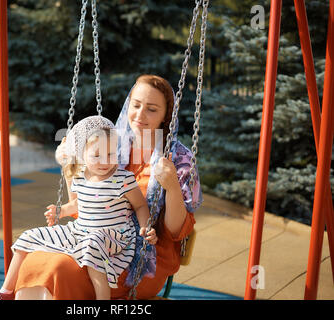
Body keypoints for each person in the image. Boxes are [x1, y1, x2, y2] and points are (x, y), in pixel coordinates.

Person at [14, 74, 203, 300]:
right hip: (98, 241)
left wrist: (171, 187)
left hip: (144, 259)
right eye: (136, 105)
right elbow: (85, 204)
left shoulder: (178, 159)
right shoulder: (113, 145)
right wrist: (69, 167)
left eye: (152, 109)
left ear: (165, 116)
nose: (140, 115)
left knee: (59, 269)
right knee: (36, 259)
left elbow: (175, 231)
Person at [0, 116, 157, 300]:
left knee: (92, 244)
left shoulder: (123, 179)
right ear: (82, 154)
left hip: (113, 236)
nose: (104, 161)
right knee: (27, 237)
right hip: (80, 231)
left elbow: (140, 205)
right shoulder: (80, 176)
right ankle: (5, 293)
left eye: (110, 154)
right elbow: (78, 204)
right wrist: (61, 211)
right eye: (96, 155)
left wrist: (145, 227)